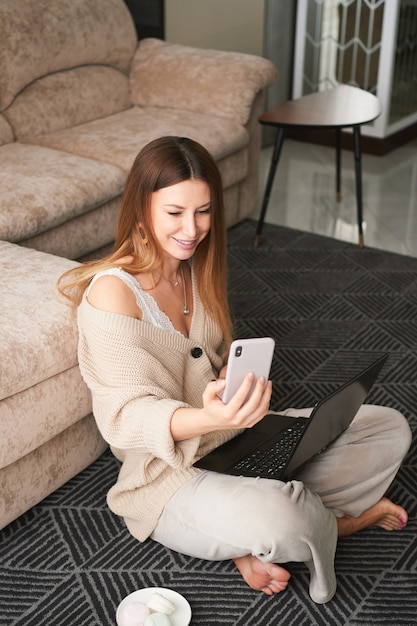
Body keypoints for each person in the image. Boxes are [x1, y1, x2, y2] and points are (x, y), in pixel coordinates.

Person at [58, 136, 411, 604]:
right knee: (284, 515)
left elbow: (210, 360)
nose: (193, 228)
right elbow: (124, 419)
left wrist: (228, 385)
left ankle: (247, 532)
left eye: (204, 211)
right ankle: (335, 525)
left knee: (387, 426)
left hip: (235, 443)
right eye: (175, 212)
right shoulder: (112, 294)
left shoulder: (194, 267)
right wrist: (210, 418)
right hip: (169, 475)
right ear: (141, 209)